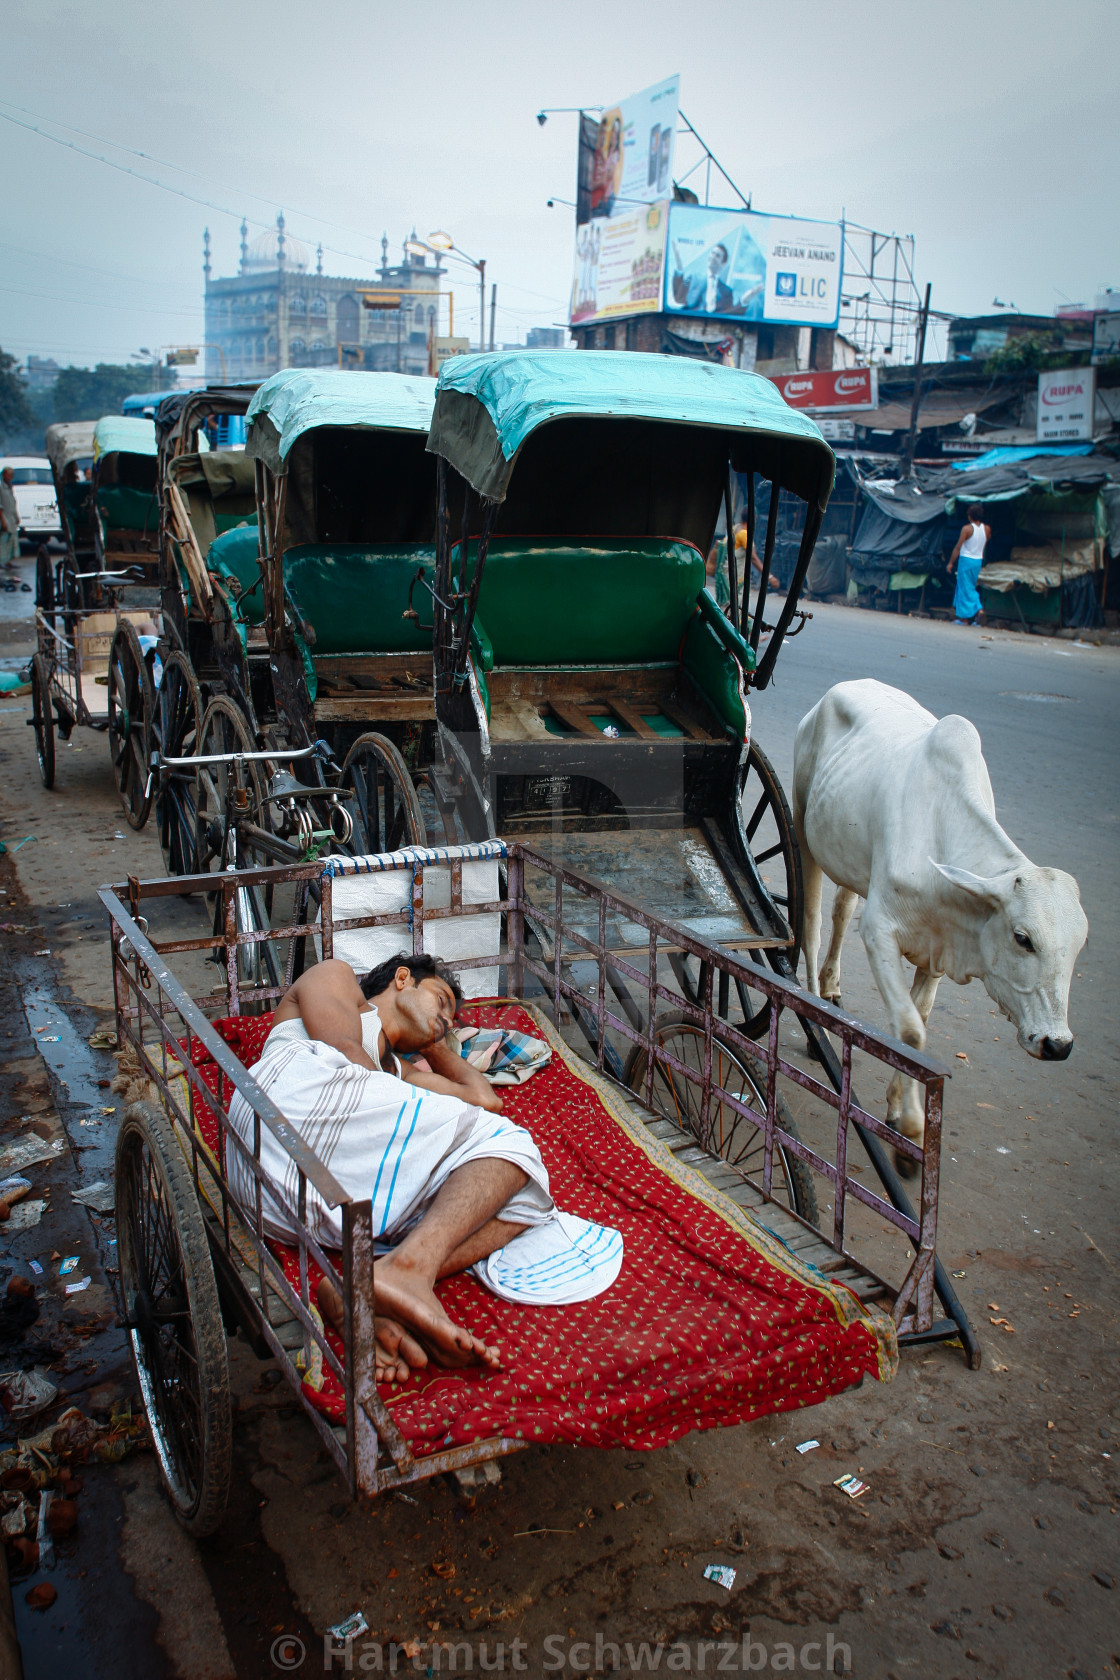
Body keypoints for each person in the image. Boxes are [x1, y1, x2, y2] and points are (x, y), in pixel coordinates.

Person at [227, 952, 621, 1383]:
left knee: (522, 1199)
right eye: (441, 1001)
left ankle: (380, 1281)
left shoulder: (396, 1070)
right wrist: (413, 1050)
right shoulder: (336, 976)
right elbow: (342, 1051)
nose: (448, 1020)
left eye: (452, 1017)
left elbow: (487, 1101)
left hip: (292, 1199)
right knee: (511, 1145)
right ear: (402, 979)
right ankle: (405, 1273)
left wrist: (433, 1041)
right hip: (286, 1108)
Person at [948, 501, 990, 625]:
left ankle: (973, 614)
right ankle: (967, 615)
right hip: (977, 561)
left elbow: (958, 547)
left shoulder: (967, 529)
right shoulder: (986, 529)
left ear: (970, 516)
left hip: (966, 561)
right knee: (969, 586)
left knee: (965, 588)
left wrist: (950, 562)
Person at [0, 468, 19, 570]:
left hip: (11, 517)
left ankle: (8, 562)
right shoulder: (1, 487)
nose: (10, 477)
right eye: (8, 475)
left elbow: (13, 502)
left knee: (11, 541)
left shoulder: (9, 486)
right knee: (3, 541)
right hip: (4, 517)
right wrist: (3, 520)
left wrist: (16, 516)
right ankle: (2, 561)